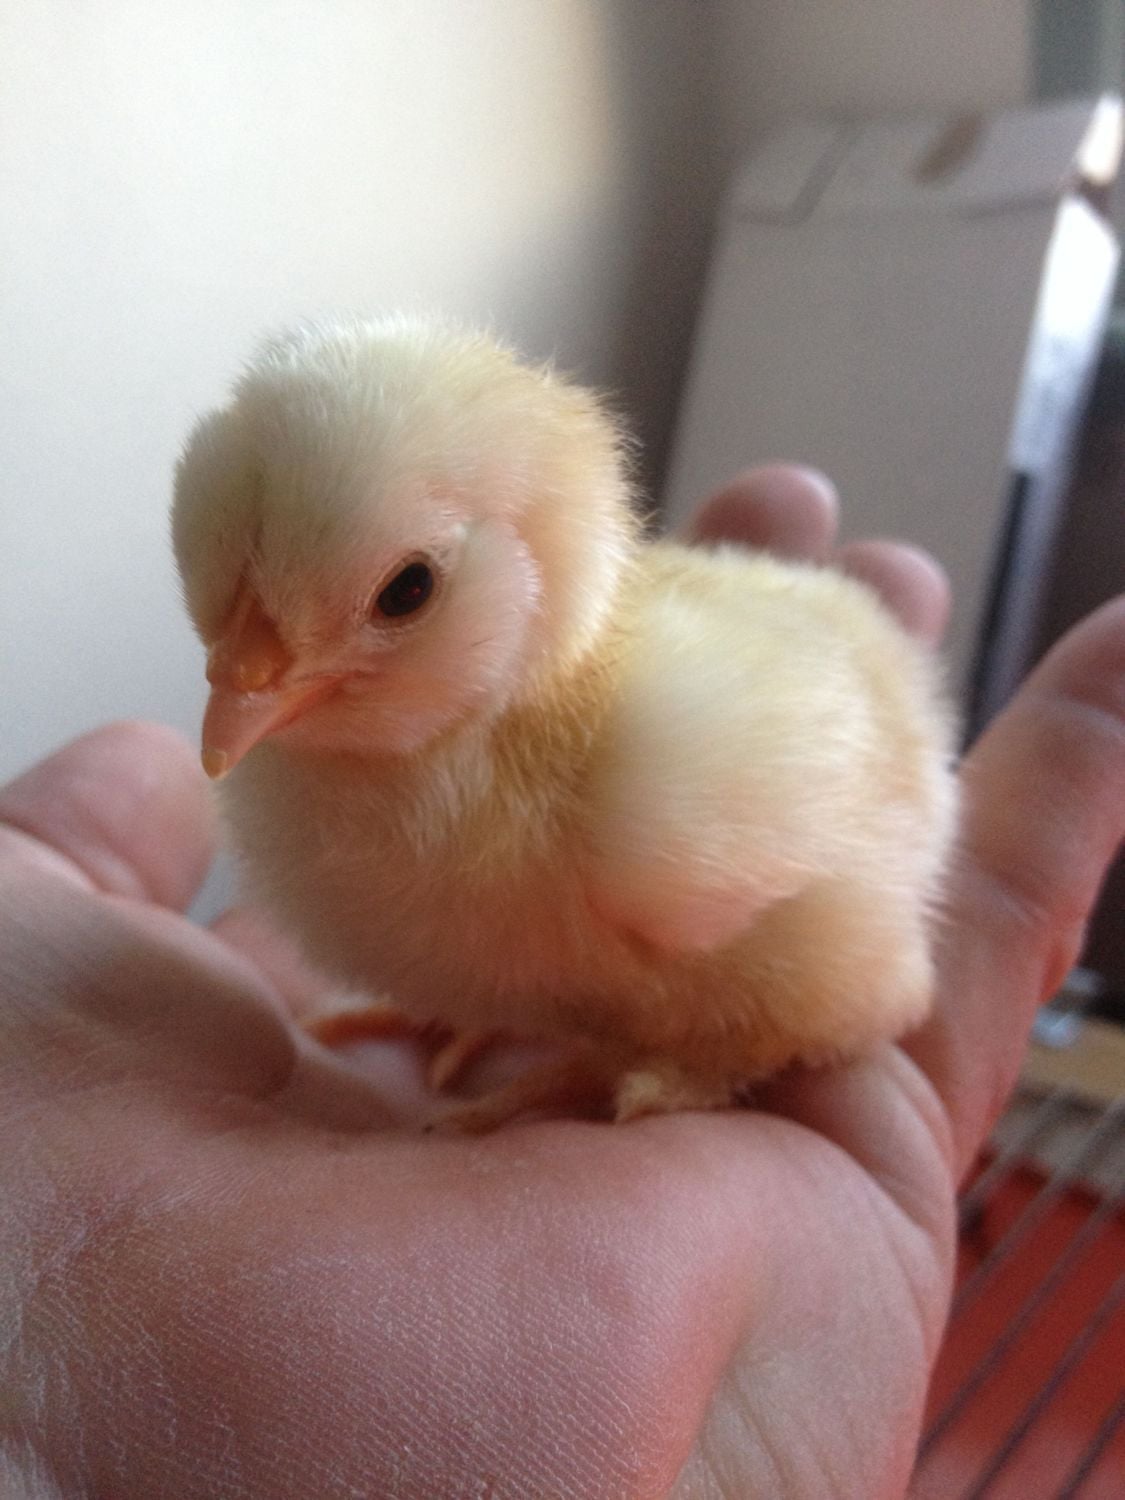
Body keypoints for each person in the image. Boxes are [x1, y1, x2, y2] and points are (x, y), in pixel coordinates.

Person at [1, 466, 1121, 1500]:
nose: (239, 684)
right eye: (226, 626)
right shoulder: (322, 756)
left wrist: (694, 1053)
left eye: (400, 593)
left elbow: (866, 977)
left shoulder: (666, 762)